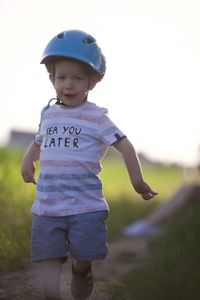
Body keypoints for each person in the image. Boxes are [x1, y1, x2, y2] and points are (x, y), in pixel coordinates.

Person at [21, 29, 157, 300]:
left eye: (77, 78)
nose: (68, 85)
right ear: (52, 78)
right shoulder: (48, 114)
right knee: (47, 255)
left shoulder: (97, 118)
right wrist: (28, 160)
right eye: (61, 77)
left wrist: (138, 182)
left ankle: (81, 269)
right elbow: (39, 141)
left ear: (92, 82)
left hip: (86, 206)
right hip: (48, 205)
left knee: (85, 253)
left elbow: (125, 146)